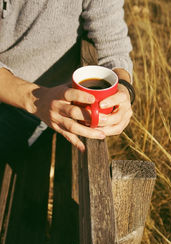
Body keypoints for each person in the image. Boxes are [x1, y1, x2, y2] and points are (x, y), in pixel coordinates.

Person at [0, 0, 134, 157]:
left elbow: (113, 47)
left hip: (36, 115)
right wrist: (35, 99)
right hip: (34, 104)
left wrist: (124, 90)